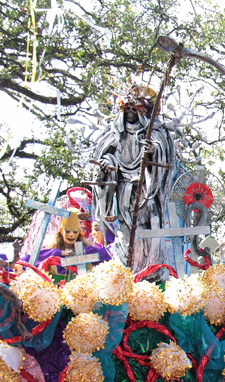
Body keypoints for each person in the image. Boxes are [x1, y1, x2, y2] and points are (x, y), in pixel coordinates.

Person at [91, 83, 181, 280]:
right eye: (127, 109)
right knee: (126, 235)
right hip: (123, 191)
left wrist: (152, 151)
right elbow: (104, 158)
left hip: (146, 192)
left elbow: (163, 158)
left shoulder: (154, 133)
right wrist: (107, 165)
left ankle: (151, 273)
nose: (131, 113)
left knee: (149, 230)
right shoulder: (115, 134)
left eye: (135, 109)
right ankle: (129, 273)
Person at [34, 210, 110, 277]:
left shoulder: (87, 249)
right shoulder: (51, 251)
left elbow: (109, 254)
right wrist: (59, 253)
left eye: (75, 232)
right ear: (61, 232)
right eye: (67, 231)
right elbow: (33, 258)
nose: (71, 235)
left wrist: (87, 251)